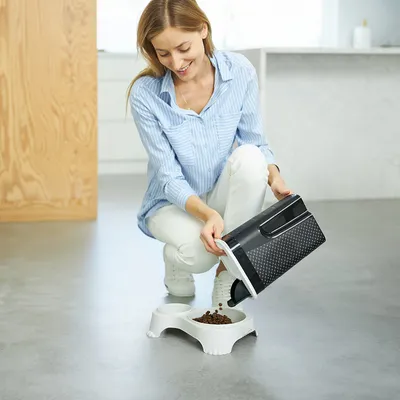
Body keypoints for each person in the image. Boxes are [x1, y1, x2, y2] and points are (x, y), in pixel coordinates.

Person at [128, 0, 292, 308]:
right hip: (170, 203)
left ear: (203, 29)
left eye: (183, 47)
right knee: (200, 254)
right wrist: (208, 215)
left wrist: (274, 176)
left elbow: (254, 141)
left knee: (251, 159)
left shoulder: (239, 71)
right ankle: (175, 259)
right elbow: (168, 177)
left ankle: (227, 277)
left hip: (217, 190)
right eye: (163, 53)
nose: (176, 62)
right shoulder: (146, 94)